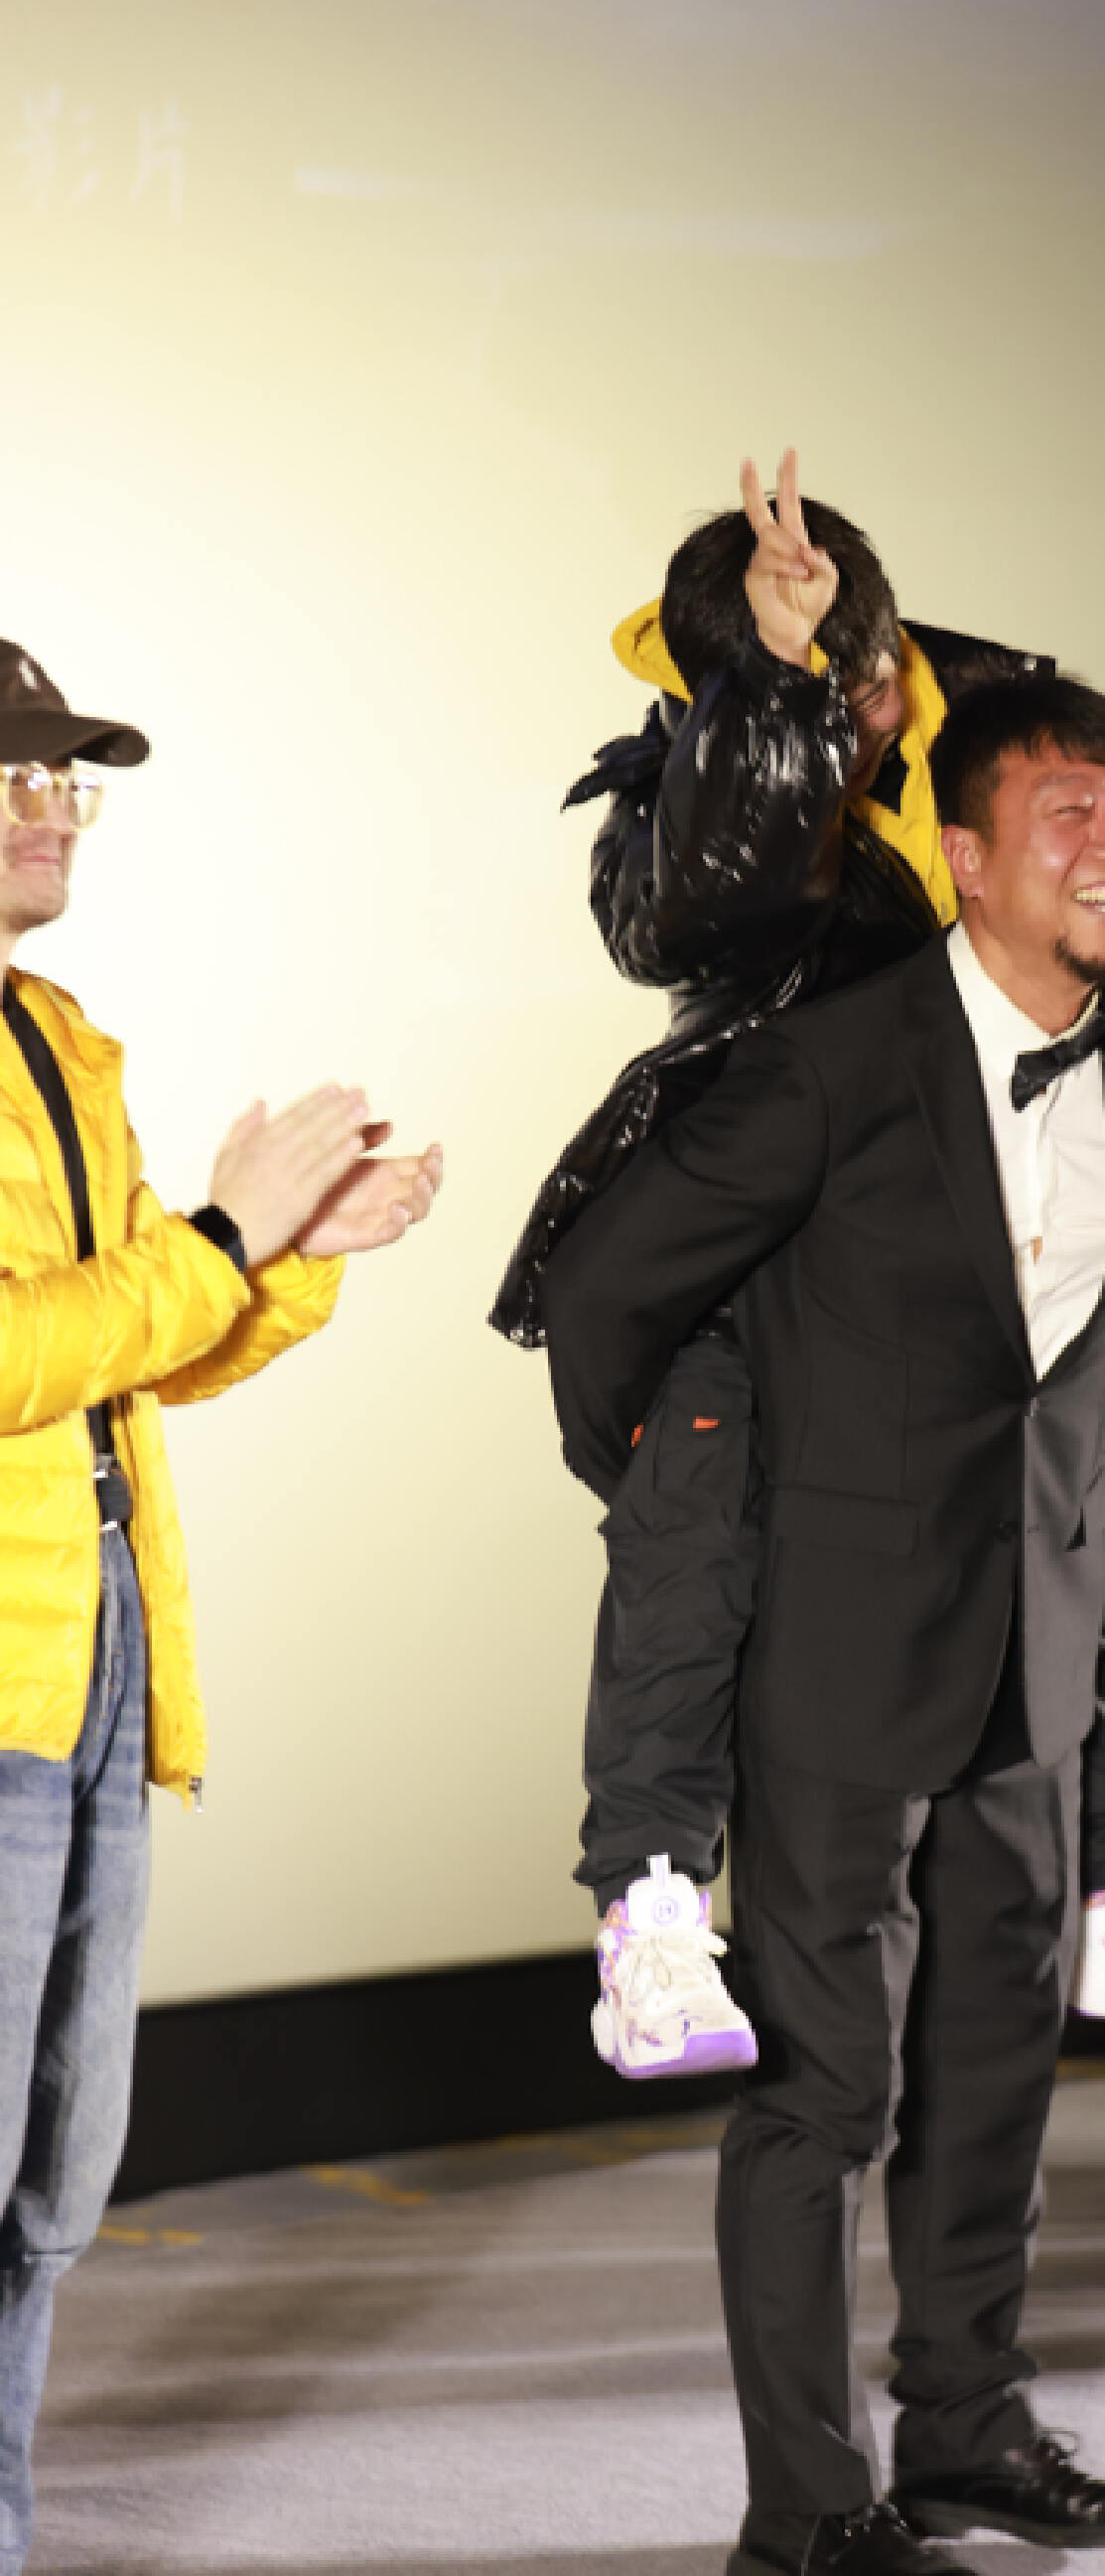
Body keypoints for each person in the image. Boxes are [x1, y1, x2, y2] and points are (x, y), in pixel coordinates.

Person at [495, 460, 1105, 2073]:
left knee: (1083, 1487)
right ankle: (653, 1905)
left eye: (865, 688)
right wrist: (772, 691)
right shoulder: (695, 774)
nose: (857, 724)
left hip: (947, 1227)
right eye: (822, 698)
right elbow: (704, 911)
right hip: (772, 1216)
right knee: (695, 1496)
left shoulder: (1015, 744)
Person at [543, 673, 1105, 2576]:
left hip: (1031, 1654)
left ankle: (969, 2431)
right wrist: (713, 1494)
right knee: (829, 2086)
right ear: (966, 856)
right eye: (1073, 811)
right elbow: (612, 1296)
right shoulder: (834, 1059)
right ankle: (809, 2508)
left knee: (995, 2066)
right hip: (833, 1651)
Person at [0, 639, 443, 2574]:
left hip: (92, 1664)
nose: (50, 806)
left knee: (57, 2170)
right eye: (13, 773)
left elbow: (134, 1348)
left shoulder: (55, 1037)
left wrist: (290, 1258)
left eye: (64, 777)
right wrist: (218, 1236)